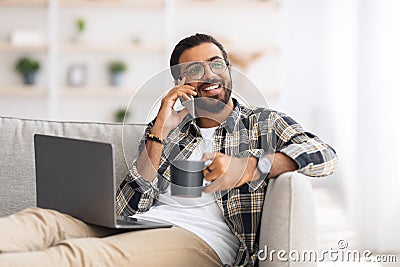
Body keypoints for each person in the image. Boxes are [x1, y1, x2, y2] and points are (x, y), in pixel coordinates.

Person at [0, 33, 337, 267]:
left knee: (76, 257)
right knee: (45, 222)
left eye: (215, 63)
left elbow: (324, 155)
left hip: (202, 240)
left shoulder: (262, 123)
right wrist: (160, 126)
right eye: (194, 70)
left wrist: (251, 167)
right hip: (143, 224)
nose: (208, 74)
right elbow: (126, 206)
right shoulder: (174, 131)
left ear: (229, 69)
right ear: (180, 83)